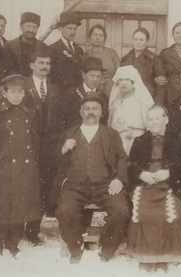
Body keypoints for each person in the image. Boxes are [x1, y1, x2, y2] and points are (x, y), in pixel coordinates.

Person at [56, 95, 130, 263]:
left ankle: (107, 248)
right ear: (81, 112)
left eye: (95, 108)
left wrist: (119, 179)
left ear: (101, 112)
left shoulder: (111, 134)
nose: (91, 112)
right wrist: (63, 149)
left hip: (104, 184)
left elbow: (122, 159)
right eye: (87, 109)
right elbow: (57, 161)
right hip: (76, 185)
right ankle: (75, 247)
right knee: (64, 211)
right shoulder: (70, 133)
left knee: (121, 211)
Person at [126, 105, 181, 271]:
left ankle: (167, 255)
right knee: (143, 214)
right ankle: (146, 256)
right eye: (150, 119)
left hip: (171, 185)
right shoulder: (140, 140)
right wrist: (141, 174)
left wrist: (169, 172)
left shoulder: (178, 138)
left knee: (175, 215)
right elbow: (130, 165)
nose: (154, 122)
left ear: (166, 119)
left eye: (157, 118)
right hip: (146, 184)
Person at [0, 74, 41, 257]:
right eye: (13, 91)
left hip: (25, 167)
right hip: (2, 168)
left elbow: (35, 141)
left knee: (21, 206)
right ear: (4, 92)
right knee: (1, 206)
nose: (17, 95)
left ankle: (13, 243)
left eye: (20, 91)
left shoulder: (29, 113)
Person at [23, 48, 66, 239]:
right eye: (40, 63)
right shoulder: (22, 86)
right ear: (32, 65)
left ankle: (34, 229)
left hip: (50, 147)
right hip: (27, 144)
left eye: (47, 64)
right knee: (27, 186)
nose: (44, 67)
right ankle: (20, 227)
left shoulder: (56, 88)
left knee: (45, 185)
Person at [109, 64, 154, 155]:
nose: (123, 83)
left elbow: (150, 126)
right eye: (120, 80)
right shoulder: (115, 102)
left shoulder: (142, 101)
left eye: (127, 80)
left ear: (134, 82)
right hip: (117, 141)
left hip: (137, 141)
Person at [61, 56, 109, 129]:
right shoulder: (71, 94)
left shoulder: (103, 97)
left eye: (98, 76)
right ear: (83, 75)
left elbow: (104, 122)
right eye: (92, 76)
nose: (95, 79)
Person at [49, 11, 85, 90]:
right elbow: (51, 76)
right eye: (69, 28)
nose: (73, 32)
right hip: (59, 92)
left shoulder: (79, 50)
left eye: (75, 29)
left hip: (76, 93)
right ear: (61, 29)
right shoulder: (52, 49)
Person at [7, 12, 47, 78]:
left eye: (34, 27)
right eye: (28, 26)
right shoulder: (10, 46)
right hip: (15, 83)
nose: (31, 30)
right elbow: (8, 70)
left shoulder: (43, 47)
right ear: (21, 27)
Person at [83, 23, 120, 91]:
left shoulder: (112, 53)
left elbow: (119, 72)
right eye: (95, 35)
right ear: (90, 37)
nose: (98, 38)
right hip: (92, 88)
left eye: (101, 35)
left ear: (104, 38)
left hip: (111, 88)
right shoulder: (86, 55)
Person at [120, 26, 156, 95]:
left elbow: (160, 85)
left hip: (147, 98)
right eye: (135, 39)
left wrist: (157, 104)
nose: (138, 42)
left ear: (147, 42)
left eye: (141, 40)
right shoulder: (125, 59)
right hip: (129, 97)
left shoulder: (154, 59)